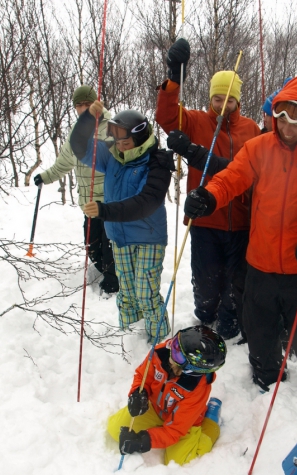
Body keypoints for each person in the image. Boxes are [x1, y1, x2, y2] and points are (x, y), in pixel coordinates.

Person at [183, 74, 297, 391]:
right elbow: (231, 178)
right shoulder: (258, 148)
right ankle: (267, 378)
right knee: (261, 333)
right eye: (281, 117)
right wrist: (209, 196)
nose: (286, 127)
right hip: (260, 265)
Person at [156, 38, 261, 340]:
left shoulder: (251, 130)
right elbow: (167, 117)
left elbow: (246, 171)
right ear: (210, 99)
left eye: (228, 100)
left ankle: (230, 320)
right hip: (204, 218)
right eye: (217, 99)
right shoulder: (196, 121)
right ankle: (205, 314)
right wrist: (175, 79)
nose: (222, 105)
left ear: (238, 101)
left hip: (240, 221)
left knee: (234, 280)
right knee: (206, 278)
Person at [70, 102, 173, 343]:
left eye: (126, 143)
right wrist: (88, 118)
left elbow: (146, 202)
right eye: (117, 143)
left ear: (140, 138)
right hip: (119, 237)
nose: (121, 148)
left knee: (146, 294)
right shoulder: (113, 156)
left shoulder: (157, 162)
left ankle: (158, 342)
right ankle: (129, 340)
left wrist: (105, 210)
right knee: (127, 294)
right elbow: (78, 145)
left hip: (149, 237)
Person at [34, 85, 119, 295]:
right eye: (78, 106)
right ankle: (105, 272)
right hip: (88, 203)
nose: (82, 109)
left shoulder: (112, 126)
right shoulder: (76, 131)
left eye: (86, 104)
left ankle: (113, 285)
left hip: (110, 201)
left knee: (110, 248)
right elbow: (64, 163)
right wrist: (45, 177)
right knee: (93, 247)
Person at [107, 326, 226, 465]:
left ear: (192, 369)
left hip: (183, 424)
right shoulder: (161, 352)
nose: (171, 350)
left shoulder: (196, 389)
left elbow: (174, 431)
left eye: (178, 354)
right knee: (115, 428)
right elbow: (142, 375)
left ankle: (211, 421)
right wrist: (138, 393)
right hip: (155, 408)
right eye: (175, 343)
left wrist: (143, 440)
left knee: (181, 460)